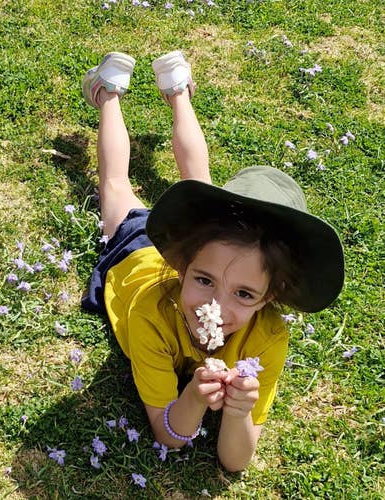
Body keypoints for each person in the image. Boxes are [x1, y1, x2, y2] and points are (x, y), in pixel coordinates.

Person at [80, 51, 344, 471]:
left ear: (270, 295)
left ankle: (178, 90)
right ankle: (109, 92)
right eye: (203, 281)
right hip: (136, 253)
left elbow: (235, 462)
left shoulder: (269, 338)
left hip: (201, 246)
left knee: (199, 183)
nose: (215, 308)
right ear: (183, 262)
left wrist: (238, 414)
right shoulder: (152, 313)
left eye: (243, 293)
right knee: (115, 186)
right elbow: (169, 435)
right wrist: (191, 399)